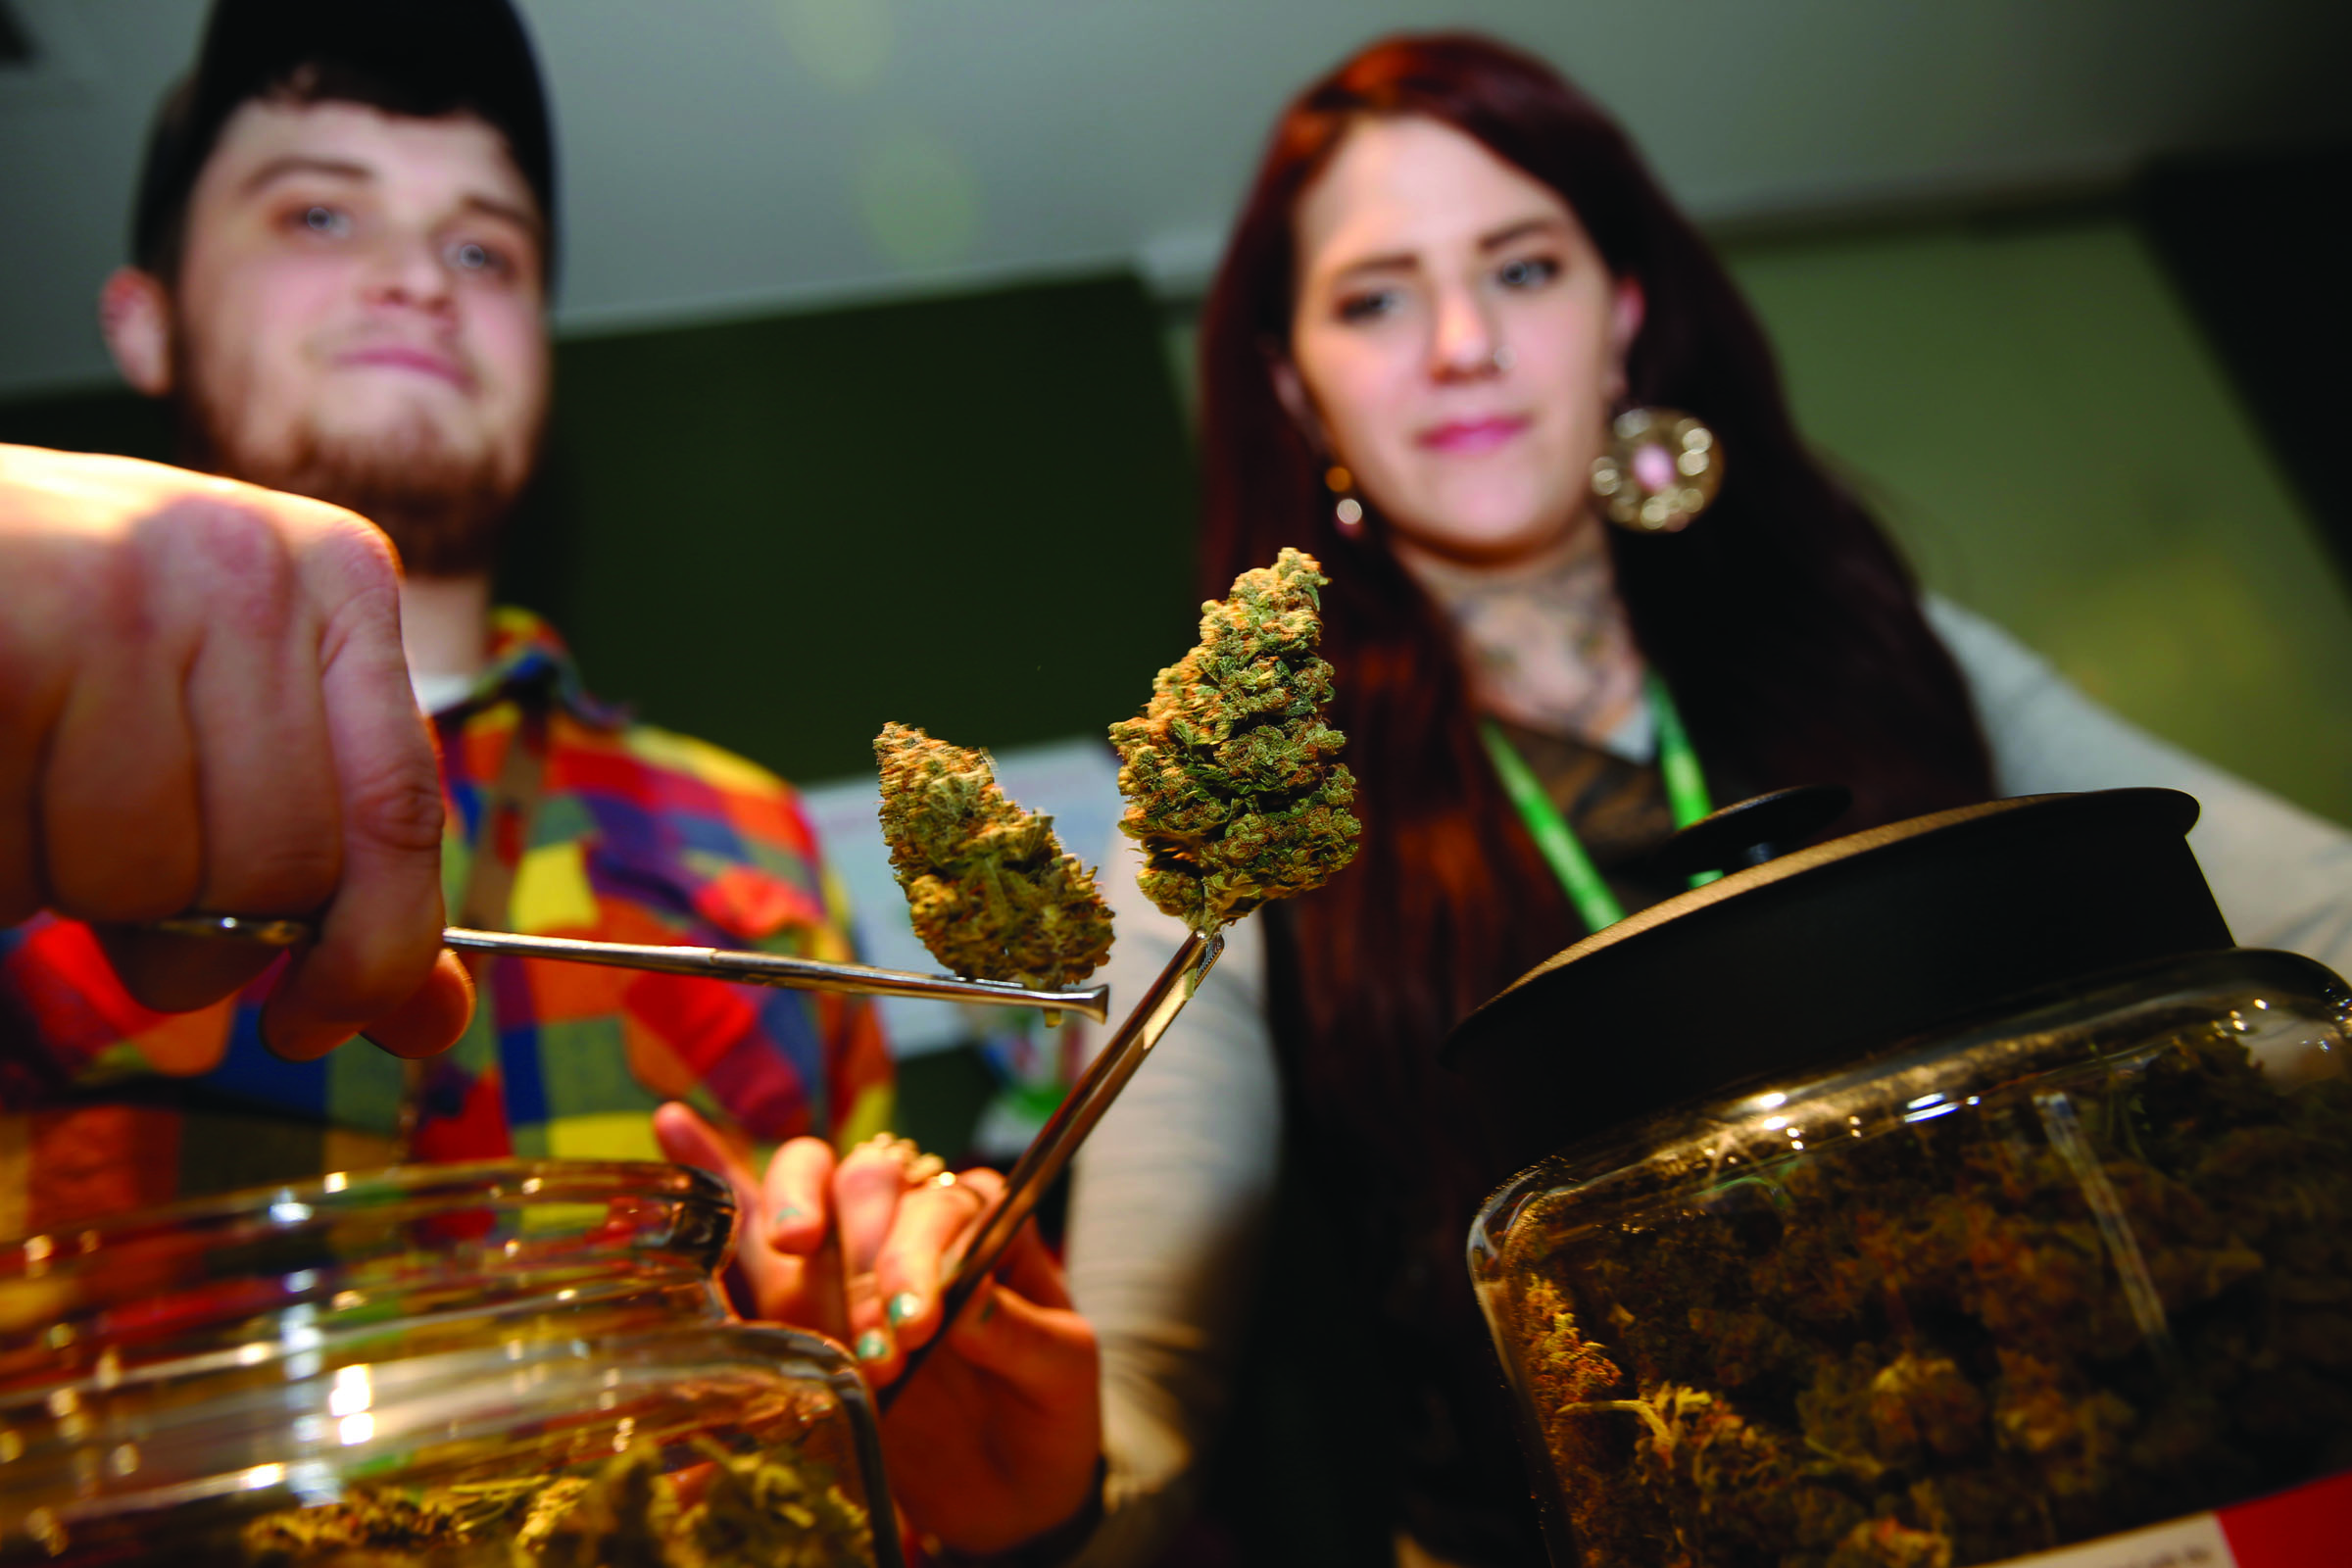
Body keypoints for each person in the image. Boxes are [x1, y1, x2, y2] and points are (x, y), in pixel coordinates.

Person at [782, 31, 2352, 1568]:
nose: (1461, 340)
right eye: (1376, 298)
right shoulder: (1228, 835)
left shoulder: (1886, 647)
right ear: (1295, 386)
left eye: (1524, 268)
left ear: (1626, 321)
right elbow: (1136, 1390)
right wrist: (1030, 1477)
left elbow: (2309, 928)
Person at [0, 0, 891, 1235]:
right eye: (319, 211)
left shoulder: (763, 848)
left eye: (484, 253)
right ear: (146, 322)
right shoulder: (16, 764)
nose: (421, 278)